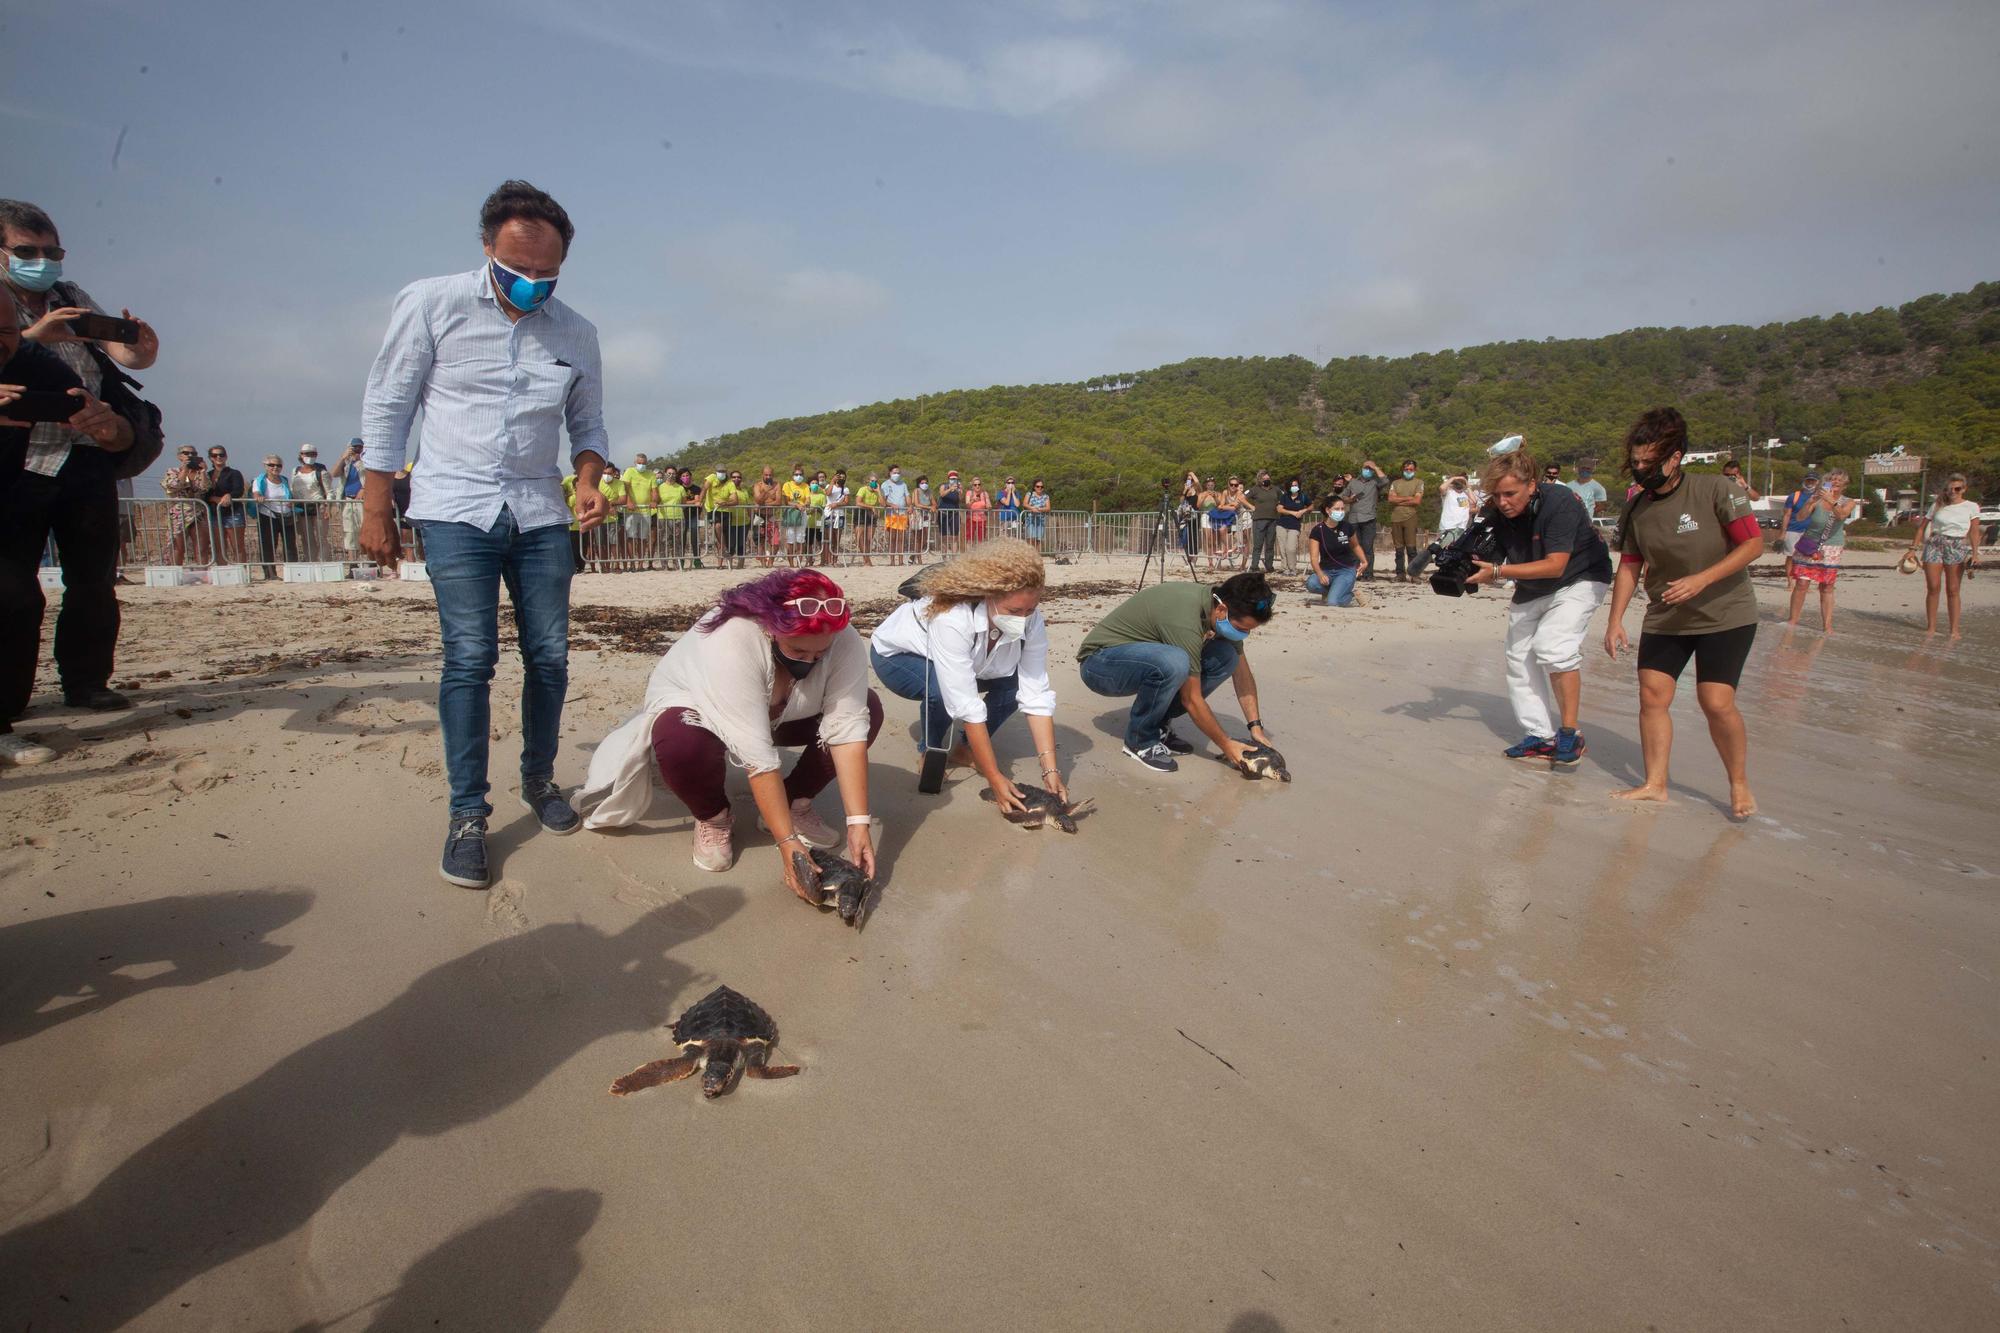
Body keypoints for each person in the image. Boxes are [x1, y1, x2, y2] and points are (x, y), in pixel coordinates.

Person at [358, 180, 609, 889]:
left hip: (537, 510)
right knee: (469, 658)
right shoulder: (432, 303)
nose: (531, 283)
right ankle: (468, 813)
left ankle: (540, 778)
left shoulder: (577, 331)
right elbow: (388, 403)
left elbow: (588, 426)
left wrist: (588, 477)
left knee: (551, 658)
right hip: (454, 504)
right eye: (516, 269)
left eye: (546, 273)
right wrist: (377, 506)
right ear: (485, 249)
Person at [575, 570, 881, 904]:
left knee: (869, 707)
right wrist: (788, 845)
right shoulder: (732, 637)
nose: (811, 662)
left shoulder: (842, 637)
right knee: (680, 741)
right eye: (798, 652)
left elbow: (848, 729)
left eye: (820, 655)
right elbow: (758, 759)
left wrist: (858, 823)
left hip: (785, 714)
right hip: (702, 714)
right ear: (770, 626)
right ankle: (713, 816)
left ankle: (794, 801)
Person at [3, 198, 158, 723]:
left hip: (85, 452)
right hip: (16, 459)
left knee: (93, 580)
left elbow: (121, 358)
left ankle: (88, 682)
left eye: (52, 250)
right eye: (27, 250)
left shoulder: (69, 295)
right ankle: (11, 698)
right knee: (12, 587)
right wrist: (28, 339)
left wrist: (140, 350)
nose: (42, 260)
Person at [1603, 407, 1765, 819]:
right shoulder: (1637, 509)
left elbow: (1752, 546)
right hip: (1667, 616)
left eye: (1649, 462)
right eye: (1636, 462)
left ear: (1675, 458)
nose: (1640, 470)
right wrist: (1615, 619)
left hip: (1725, 613)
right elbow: (1629, 565)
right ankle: (1655, 784)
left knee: (1715, 701)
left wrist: (1702, 579)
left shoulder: (1717, 490)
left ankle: (1739, 782)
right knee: (1652, 695)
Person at [870, 538, 1067, 812]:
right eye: (1014, 611)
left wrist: (1050, 770)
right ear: (989, 595)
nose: (1023, 619)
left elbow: (1036, 692)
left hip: (973, 662)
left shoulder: (1031, 621)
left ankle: (965, 749)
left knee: (1015, 684)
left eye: (1029, 610)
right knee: (940, 688)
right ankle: (930, 749)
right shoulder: (953, 616)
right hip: (897, 657)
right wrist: (995, 778)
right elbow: (965, 703)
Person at [1465, 447, 1614, 768]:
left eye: (1510, 494)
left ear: (1531, 485)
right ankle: (1540, 735)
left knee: (1554, 647)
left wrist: (1497, 572)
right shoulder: (1498, 512)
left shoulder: (1559, 502)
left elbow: (1556, 565)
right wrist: (1470, 567)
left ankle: (1570, 733)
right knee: (1517, 655)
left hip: (1580, 576)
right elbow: (1495, 556)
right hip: (1533, 582)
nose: (1503, 502)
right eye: (1496, 495)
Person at [1077, 571, 1276, 774]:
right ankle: (1140, 740)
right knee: (1175, 662)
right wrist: (1226, 744)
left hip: (1144, 659)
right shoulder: (1185, 617)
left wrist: (1255, 727)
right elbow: (1191, 698)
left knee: (1227, 656)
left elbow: (1242, 673)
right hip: (1099, 665)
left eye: (1248, 631)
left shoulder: (1218, 608)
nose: (1243, 634)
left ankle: (1158, 725)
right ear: (1222, 610)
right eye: (1241, 628)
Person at [1910, 473, 1982, 639]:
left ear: (1964, 489)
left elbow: (1974, 531)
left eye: (1957, 488)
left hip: (1956, 546)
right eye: (1950, 488)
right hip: (1935, 544)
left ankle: (1954, 630)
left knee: (1953, 589)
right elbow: (1922, 528)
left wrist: (1975, 553)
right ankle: (1931, 628)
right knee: (1933, 587)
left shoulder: (1971, 506)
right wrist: (1912, 548)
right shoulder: (1938, 504)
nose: (1953, 491)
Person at [1786, 469, 1857, 633]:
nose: (1835, 482)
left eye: (1839, 480)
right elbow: (1800, 517)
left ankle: (1827, 625)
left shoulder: (1849, 501)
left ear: (1845, 484)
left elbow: (1841, 515)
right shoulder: (1817, 499)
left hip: (1832, 546)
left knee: (1827, 586)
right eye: (1832, 479)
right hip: (1810, 543)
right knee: (1802, 583)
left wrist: (1831, 501)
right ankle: (1793, 620)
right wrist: (1810, 502)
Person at [1305, 492, 1367, 606]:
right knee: (1311, 583)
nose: (1340, 511)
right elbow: (1314, 558)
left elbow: (1355, 545)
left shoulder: (1347, 527)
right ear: (1328, 510)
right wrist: (1320, 574)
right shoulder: (1317, 530)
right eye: (1337, 509)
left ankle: (1351, 597)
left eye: (1342, 509)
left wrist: (1364, 561)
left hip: (1345, 570)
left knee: (1333, 602)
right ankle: (1336, 592)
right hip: (1327, 570)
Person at [163, 447, 213, 567]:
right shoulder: (172, 471)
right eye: (186, 453)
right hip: (178, 513)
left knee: (202, 545)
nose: (190, 455)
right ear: (179, 456)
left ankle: (203, 572)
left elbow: (205, 488)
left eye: (193, 453)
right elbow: (173, 485)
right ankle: (175, 573)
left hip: (198, 512)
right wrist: (184, 470)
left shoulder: (200, 473)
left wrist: (203, 472)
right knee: (177, 546)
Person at [250, 455, 299, 576]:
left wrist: (291, 503)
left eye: (278, 465)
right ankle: (270, 573)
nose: (275, 467)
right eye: (272, 465)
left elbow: (288, 495)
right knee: (268, 544)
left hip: (286, 515)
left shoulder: (284, 480)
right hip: (267, 514)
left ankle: (292, 572)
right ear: (265, 466)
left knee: (290, 544)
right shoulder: (259, 480)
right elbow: (256, 493)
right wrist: (259, 497)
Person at [1342, 460, 1387, 579]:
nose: (1367, 470)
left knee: (1367, 547)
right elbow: (1343, 497)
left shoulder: (1375, 483)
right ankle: (1356, 573)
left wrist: (1375, 467)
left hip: (1369, 519)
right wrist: (1350, 499)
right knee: (1355, 547)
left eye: (1370, 468)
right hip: (1354, 519)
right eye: (1366, 467)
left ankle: (1368, 573)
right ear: (1361, 468)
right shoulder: (1353, 482)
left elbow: (1385, 481)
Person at [206, 446, 248, 565]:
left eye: (221, 454)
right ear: (210, 458)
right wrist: (215, 498)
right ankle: (223, 572)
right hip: (214, 514)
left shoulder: (234, 473)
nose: (218, 457)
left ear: (226, 456)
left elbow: (239, 490)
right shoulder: (207, 475)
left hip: (233, 512)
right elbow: (203, 494)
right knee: (219, 546)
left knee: (237, 546)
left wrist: (229, 495)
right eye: (215, 455)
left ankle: (241, 571)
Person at [292, 444, 335, 560]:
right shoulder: (295, 471)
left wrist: (328, 507)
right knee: (307, 537)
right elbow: (293, 490)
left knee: (322, 537)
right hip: (302, 508)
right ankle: (310, 561)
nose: (310, 456)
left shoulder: (321, 472)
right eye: (307, 454)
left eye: (313, 454)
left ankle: (323, 562)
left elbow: (330, 492)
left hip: (318, 506)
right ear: (301, 455)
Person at [1385, 458, 1425, 580]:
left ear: (1415, 470)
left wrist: (1399, 499)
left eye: (1411, 469)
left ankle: (1414, 574)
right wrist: (1409, 498)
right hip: (1396, 518)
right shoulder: (1395, 483)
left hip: (1410, 517)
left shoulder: (1419, 482)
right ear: (1402, 469)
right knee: (1398, 549)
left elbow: (1417, 501)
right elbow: (1391, 499)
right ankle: (1400, 574)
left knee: (1412, 548)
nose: (1408, 471)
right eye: (1406, 469)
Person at [1777, 470, 1819, 581]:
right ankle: (1790, 582)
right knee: (1791, 556)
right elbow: (1786, 515)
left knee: (1809, 556)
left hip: (1810, 531)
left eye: (1813, 480)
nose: (1810, 482)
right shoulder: (1794, 496)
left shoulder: (1819, 497)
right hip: (1793, 530)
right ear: (1804, 481)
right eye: (1808, 480)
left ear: (1817, 482)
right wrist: (1782, 533)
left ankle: (1805, 580)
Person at [332, 439, 368, 562]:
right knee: (350, 533)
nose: (357, 450)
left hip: (364, 502)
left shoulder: (368, 463)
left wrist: (364, 488)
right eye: (355, 448)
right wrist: (343, 458)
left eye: (360, 448)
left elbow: (372, 479)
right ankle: (353, 563)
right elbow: (334, 473)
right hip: (348, 501)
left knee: (365, 532)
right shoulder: (346, 464)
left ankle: (368, 562)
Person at [621, 454, 657, 567]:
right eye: (639, 463)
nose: (641, 465)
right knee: (631, 537)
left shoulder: (651, 474)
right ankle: (632, 563)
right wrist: (629, 501)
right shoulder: (629, 472)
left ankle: (641, 564)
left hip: (646, 511)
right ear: (635, 462)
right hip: (631, 511)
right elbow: (625, 488)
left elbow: (654, 491)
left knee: (643, 538)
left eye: (644, 463)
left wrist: (654, 500)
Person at [1244, 469, 1281, 572]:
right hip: (1259, 520)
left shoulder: (1275, 489)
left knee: (1270, 544)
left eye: (1268, 478)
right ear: (1259, 480)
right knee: (1258, 544)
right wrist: (1251, 506)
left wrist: (1279, 506)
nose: (1266, 480)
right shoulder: (1255, 489)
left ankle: (1269, 566)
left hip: (1273, 519)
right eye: (1264, 478)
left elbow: (1282, 499)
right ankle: (1254, 566)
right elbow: (1242, 498)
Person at [1274, 476, 1312, 574]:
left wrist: (1304, 510)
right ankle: (1285, 568)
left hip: (1294, 526)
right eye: (1292, 485)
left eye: (1296, 485)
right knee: (1282, 549)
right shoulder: (1284, 496)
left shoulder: (1303, 497)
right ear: (1289, 487)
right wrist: (1293, 513)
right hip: (1281, 525)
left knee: (1291, 548)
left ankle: (1292, 568)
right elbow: (1279, 509)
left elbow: (1311, 506)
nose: (1294, 487)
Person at [881, 465, 910, 565]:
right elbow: (883, 501)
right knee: (892, 537)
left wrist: (910, 505)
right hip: (891, 514)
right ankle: (892, 561)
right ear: (890, 473)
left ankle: (901, 561)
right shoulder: (885, 484)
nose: (896, 474)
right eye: (894, 472)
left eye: (898, 473)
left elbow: (907, 497)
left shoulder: (903, 484)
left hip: (902, 514)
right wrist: (891, 505)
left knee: (901, 538)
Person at [852, 471, 880, 565]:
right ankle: (866, 559)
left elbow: (883, 504)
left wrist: (879, 491)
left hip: (871, 514)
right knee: (860, 537)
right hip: (861, 512)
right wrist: (871, 507)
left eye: (876, 481)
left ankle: (867, 558)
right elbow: (858, 502)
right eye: (872, 480)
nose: (874, 482)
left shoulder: (877, 491)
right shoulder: (862, 489)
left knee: (869, 538)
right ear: (868, 481)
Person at [824, 469, 849, 563]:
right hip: (829, 514)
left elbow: (846, 502)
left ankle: (835, 560)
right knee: (829, 537)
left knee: (837, 538)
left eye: (843, 477)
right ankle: (828, 559)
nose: (841, 478)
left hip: (840, 514)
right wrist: (832, 481)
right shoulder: (829, 486)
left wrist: (837, 504)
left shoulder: (845, 489)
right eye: (839, 476)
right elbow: (827, 493)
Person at [937, 470, 963, 554]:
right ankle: (944, 557)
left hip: (954, 513)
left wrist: (959, 491)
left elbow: (960, 499)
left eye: (955, 478)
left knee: (954, 537)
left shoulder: (959, 487)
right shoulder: (944, 486)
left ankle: (954, 557)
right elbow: (942, 494)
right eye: (951, 478)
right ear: (948, 478)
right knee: (944, 537)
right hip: (943, 513)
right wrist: (950, 489)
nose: (953, 480)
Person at [1024, 478, 1051, 552]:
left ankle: (1037, 555)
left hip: (1041, 520)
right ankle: (1030, 555)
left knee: (1038, 539)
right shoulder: (1029, 494)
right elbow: (1025, 504)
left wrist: (1039, 509)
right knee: (1031, 538)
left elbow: (1048, 508)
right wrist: (1032, 508)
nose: (1040, 488)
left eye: (1041, 487)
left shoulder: (1046, 496)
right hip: (1030, 519)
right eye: (1038, 486)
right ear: (1034, 487)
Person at [964, 475, 990, 545]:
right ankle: (969, 555)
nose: (977, 486)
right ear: (972, 486)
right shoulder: (969, 493)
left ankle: (979, 555)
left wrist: (989, 506)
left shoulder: (985, 493)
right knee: (970, 540)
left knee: (981, 541)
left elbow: (989, 505)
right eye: (975, 485)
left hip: (982, 519)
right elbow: (967, 505)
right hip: (971, 519)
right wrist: (973, 500)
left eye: (979, 484)